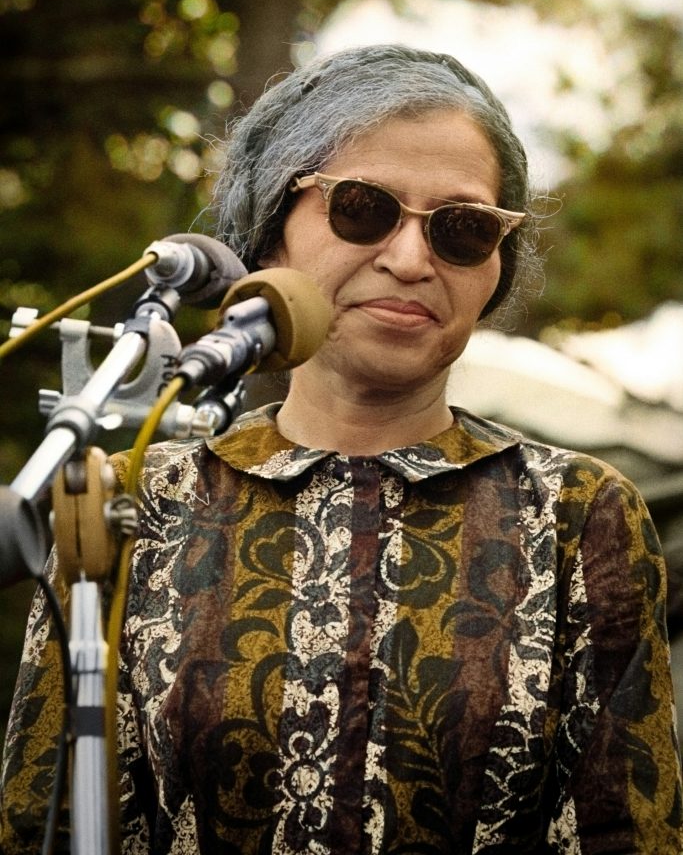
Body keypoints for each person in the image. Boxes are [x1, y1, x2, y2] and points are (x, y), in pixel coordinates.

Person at [1, 44, 682, 854]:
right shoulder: (126, 499)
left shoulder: (578, 513)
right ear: (269, 233)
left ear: (491, 270)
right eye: (363, 208)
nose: (408, 258)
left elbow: (624, 835)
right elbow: (42, 824)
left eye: (461, 229)